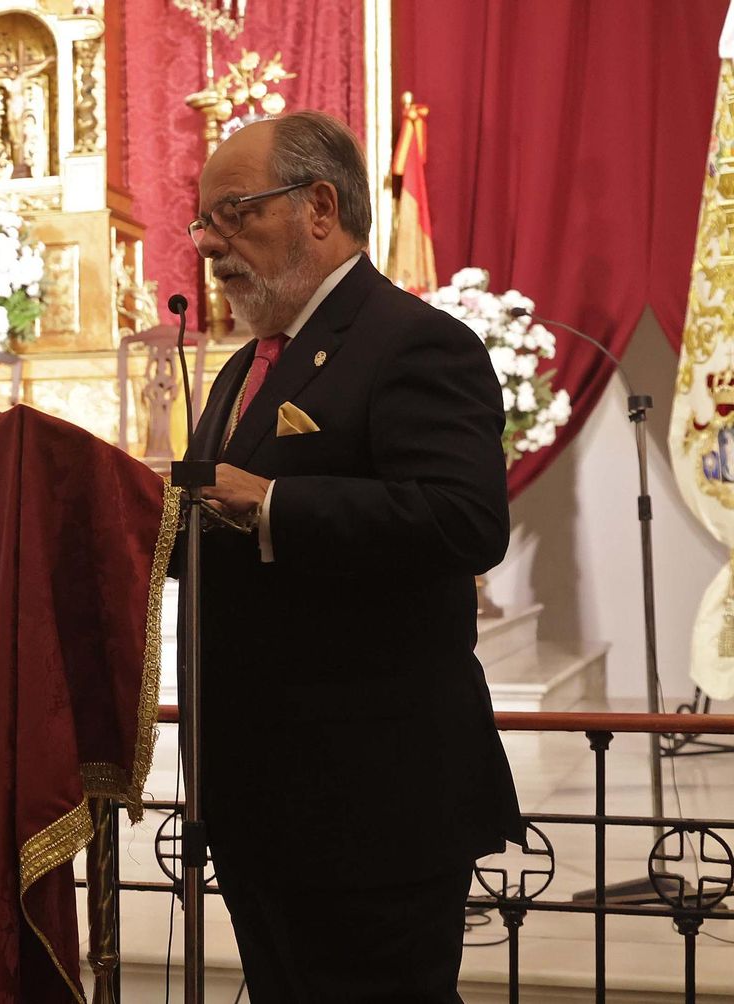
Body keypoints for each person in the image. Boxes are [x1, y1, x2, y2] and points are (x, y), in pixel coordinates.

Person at [178, 110, 523, 1001]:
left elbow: (465, 519)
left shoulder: (413, 340)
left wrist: (275, 505)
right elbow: (222, 529)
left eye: (234, 213)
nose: (209, 244)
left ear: (320, 207)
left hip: (374, 802)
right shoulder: (245, 367)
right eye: (203, 221)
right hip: (261, 796)